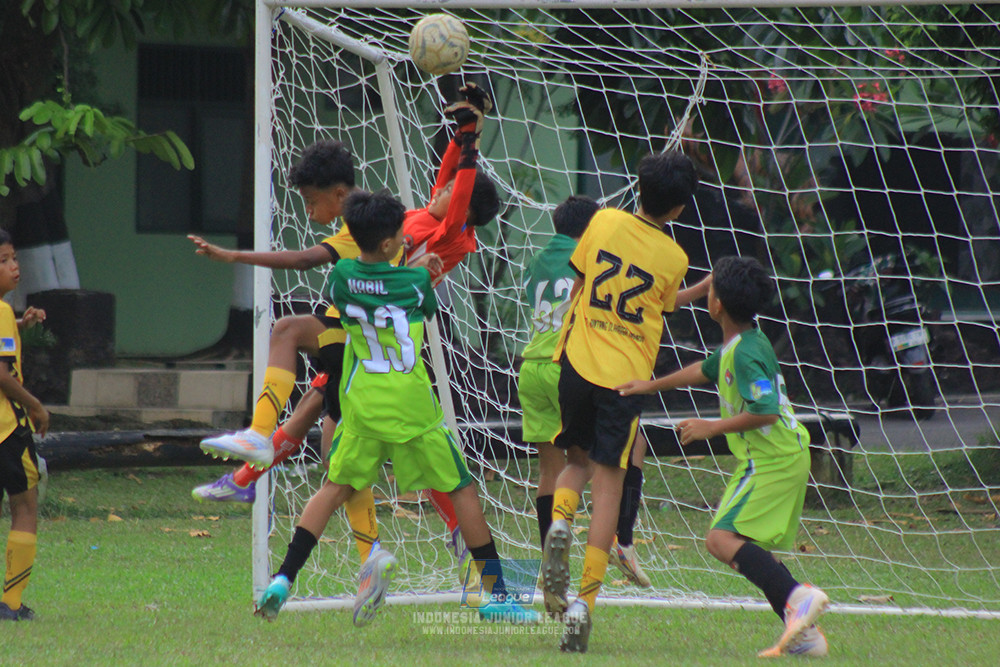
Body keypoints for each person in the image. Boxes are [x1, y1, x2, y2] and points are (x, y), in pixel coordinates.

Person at [192, 83, 498, 574]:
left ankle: (256, 460)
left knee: (297, 349)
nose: (438, 189)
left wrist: (471, 141)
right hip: (369, 346)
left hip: (369, 338)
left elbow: (458, 186)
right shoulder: (412, 216)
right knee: (327, 428)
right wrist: (465, 128)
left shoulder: (446, 230)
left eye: (447, 189)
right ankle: (365, 550)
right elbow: (449, 175)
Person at [253, 189, 540, 626]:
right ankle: (497, 595)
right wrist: (418, 271)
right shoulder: (418, 282)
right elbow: (417, 302)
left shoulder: (343, 276)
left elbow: (371, 288)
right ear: (390, 243)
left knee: (332, 489)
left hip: (363, 407)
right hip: (412, 411)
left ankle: (282, 579)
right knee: (461, 490)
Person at [616, 255, 829, 658]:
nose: (706, 294)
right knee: (740, 545)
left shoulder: (746, 354)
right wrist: (649, 386)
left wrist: (710, 427)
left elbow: (764, 409)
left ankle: (798, 598)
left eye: (709, 288)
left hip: (772, 459)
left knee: (720, 540)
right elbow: (704, 369)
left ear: (716, 305)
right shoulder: (743, 342)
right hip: (776, 457)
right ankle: (803, 630)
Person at [539, 150, 705, 653]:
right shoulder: (675, 258)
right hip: (626, 383)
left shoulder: (603, 220)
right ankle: (583, 604)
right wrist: (705, 285)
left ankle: (560, 521)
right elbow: (664, 301)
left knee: (575, 462)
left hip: (576, 363)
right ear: (679, 209)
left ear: (638, 187)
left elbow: (583, 281)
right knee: (608, 490)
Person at [518, 195, 653, 589]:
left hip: (530, 367)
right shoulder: (593, 256)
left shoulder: (537, 261)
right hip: (568, 366)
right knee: (631, 444)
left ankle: (550, 558)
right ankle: (621, 539)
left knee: (551, 469)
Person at [0, 229, 50, 621]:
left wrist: (21, 323)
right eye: (4, 260)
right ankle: (12, 604)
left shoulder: (4, 314)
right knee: (25, 507)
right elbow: (1, 372)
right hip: (7, 428)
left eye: (14, 257)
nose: (14, 266)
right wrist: (35, 406)